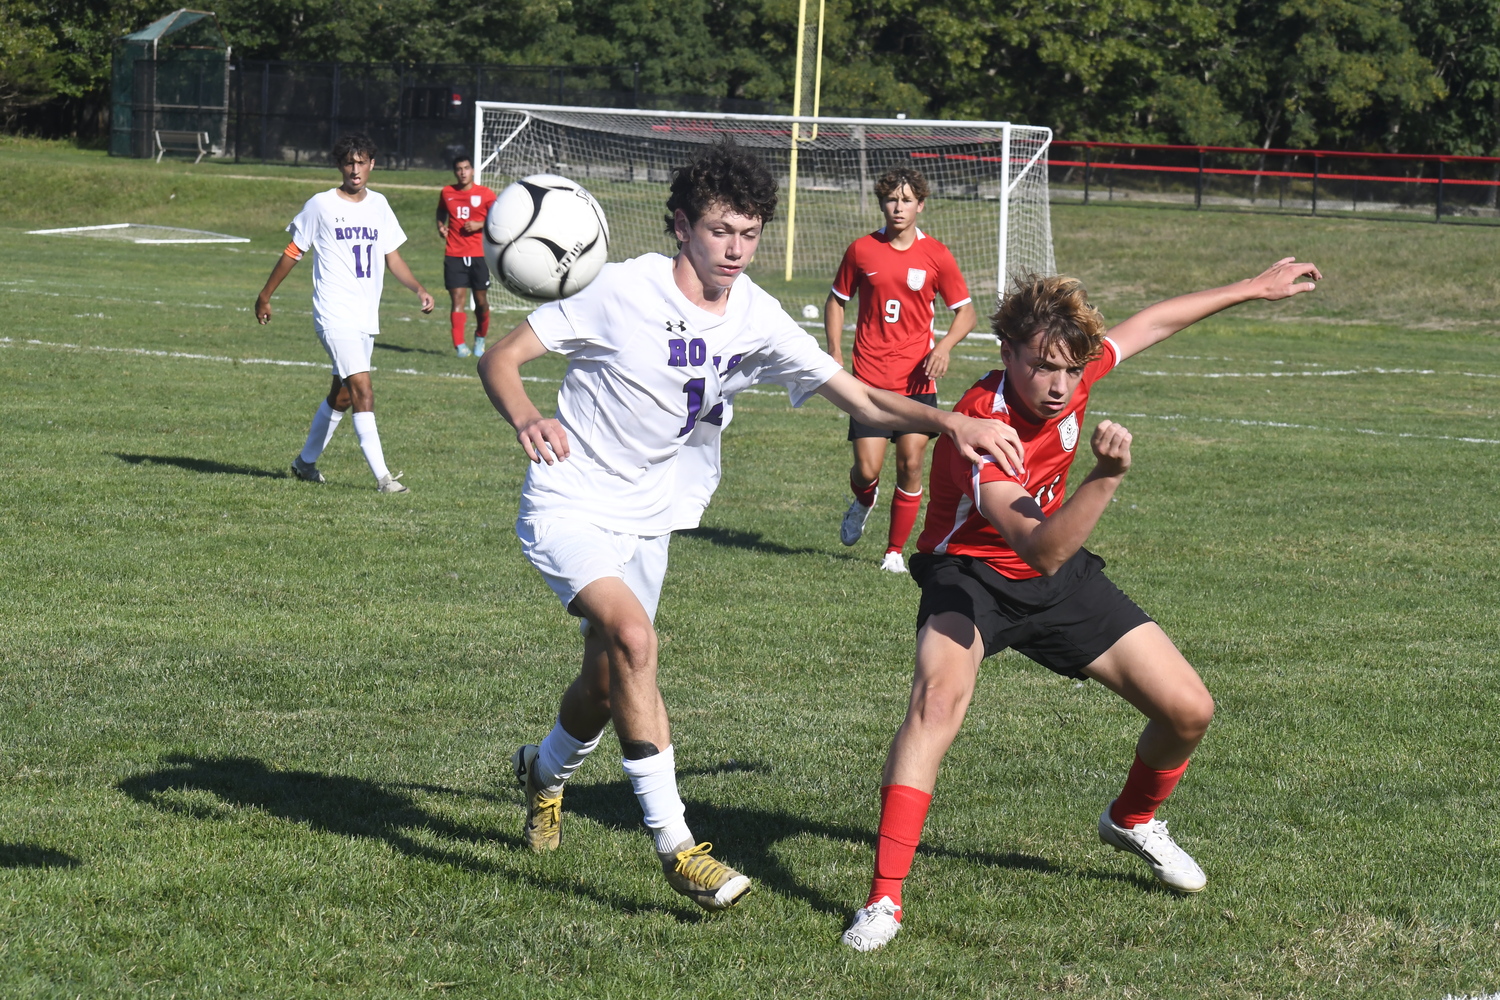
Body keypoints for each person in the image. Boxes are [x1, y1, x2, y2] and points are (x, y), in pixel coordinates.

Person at [477, 142, 1026, 912]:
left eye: (749, 233)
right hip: (568, 500)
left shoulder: (757, 316)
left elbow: (862, 400)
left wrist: (948, 422)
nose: (735, 249)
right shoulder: (621, 290)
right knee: (635, 642)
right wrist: (528, 414)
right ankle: (677, 847)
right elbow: (501, 357)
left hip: (651, 517)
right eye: (719, 230)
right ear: (679, 226)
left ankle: (543, 774)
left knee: (608, 678)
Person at [842, 258, 1322, 952]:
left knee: (1190, 710)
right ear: (1008, 353)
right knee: (936, 702)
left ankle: (1132, 817)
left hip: (1055, 579)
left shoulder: (1071, 377)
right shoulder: (982, 423)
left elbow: (1153, 322)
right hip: (971, 576)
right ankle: (885, 901)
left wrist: (1253, 288)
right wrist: (1104, 478)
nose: (1061, 386)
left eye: (1074, 369)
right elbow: (1040, 548)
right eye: (1045, 367)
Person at [256, 132, 435, 492]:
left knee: (341, 394)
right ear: (340, 166)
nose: (355, 169)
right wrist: (265, 295)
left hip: (365, 316)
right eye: (348, 162)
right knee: (363, 391)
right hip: (334, 313)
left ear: (372, 164)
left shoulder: (380, 205)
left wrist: (418, 288)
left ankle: (304, 463)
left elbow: (392, 256)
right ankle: (384, 479)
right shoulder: (321, 205)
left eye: (361, 162)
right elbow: (294, 251)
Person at [825, 167, 978, 574]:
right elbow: (837, 300)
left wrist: (943, 346)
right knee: (867, 469)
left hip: (916, 382)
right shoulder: (861, 250)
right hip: (869, 382)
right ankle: (863, 498)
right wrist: (835, 352)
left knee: (911, 464)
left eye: (906, 199)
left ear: (920, 205)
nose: (898, 206)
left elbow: (966, 313)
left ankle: (894, 552)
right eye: (892, 199)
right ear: (882, 204)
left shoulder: (937, 255)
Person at [436, 152, 497, 358]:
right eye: (459, 169)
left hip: (479, 255)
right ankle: (460, 346)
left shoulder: (487, 194)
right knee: (457, 300)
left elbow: (499, 217)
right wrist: (440, 225)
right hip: (454, 254)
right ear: (455, 172)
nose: (463, 173)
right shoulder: (447, 192)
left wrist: (480, 224)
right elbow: (441, 211)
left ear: (472, 170)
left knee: (481, 301)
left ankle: (480, 337)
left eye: (466, 168)